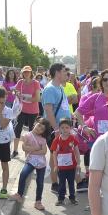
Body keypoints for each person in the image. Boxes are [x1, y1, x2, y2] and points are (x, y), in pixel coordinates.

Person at [75, 68, 108, 192]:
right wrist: (85, 127)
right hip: (98, 140)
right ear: (101, 82)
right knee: (97, 171)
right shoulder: (95, 97)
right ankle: (97, 201)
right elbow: (78, 113)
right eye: (105, 79)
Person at [42, 63, 73, 193]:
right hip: (54, 129)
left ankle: (58, 182)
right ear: (57, 72)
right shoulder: (50, 89)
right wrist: (55, 130)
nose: (67, 74)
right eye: (64, 71)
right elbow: (48, 111)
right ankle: (55, 183)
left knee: (60, 155)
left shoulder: (59, 87)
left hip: (63, 128)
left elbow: (63, 106)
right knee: (55, 156)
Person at [10, 117, 52, 210]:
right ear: (35, 123)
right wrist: (36, 149)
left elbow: (44, 151)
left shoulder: (42, 139)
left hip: (41, 163)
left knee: (40, 182)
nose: (39, 129)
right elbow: (24, 148)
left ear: (43, 132)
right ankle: (19, 194)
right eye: (39, 125)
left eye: (42, 129)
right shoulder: (27, 135)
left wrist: (32, 150)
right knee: (23, 174)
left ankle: (38, 201)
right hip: (30, 161)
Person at [51, 117, 81, 206]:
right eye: (62, 127)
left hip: (72, 167)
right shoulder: (56, 140)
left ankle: (72, 198)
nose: (64, 129)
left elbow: (77, 151)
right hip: (61, 168)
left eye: (67, 127)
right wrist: (56, 165)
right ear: (59, 129)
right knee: (62, 184)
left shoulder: (72, 138)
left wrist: (78, 163)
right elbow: (54, 153)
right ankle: (61, 198)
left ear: (70, 128)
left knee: (71, 183)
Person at [13, 65, 42, 157]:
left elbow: (37, 98)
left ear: (31, 73)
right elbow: (15, 91)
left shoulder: (35, 83)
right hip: (22, 109)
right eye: (25, 72)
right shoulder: (20, 82)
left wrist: (25, 98)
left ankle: (30, 152)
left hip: (33, 110)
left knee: (31, 130)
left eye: (28, 72)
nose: (26, 73)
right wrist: (17, 93)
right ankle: (15, 150)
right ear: (22, 73)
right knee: (18, 129)